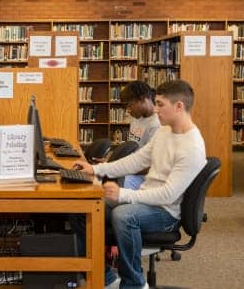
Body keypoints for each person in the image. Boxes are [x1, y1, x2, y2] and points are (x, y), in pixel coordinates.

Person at [72, 79, 206, 289]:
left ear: (179, 106)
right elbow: (137, 160)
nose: (156, 109)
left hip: (166, 213)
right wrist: (96, 169)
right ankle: (105, 277)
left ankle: (134, 283)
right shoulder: (164, 132)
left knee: (124, 215)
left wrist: (123, 194)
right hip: (147, 199)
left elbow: (168, 195)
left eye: (161, 104)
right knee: (82, 208)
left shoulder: (192, 147)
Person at [120, 81, 160, 189]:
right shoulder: (136, 117)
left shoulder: (156, 124)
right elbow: (133, 148)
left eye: (130, 105)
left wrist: (124, 169)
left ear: (142, 99)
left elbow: (153, 165)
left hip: (144, 177)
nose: (128, 111)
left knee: (108, 190)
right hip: (132, 168)